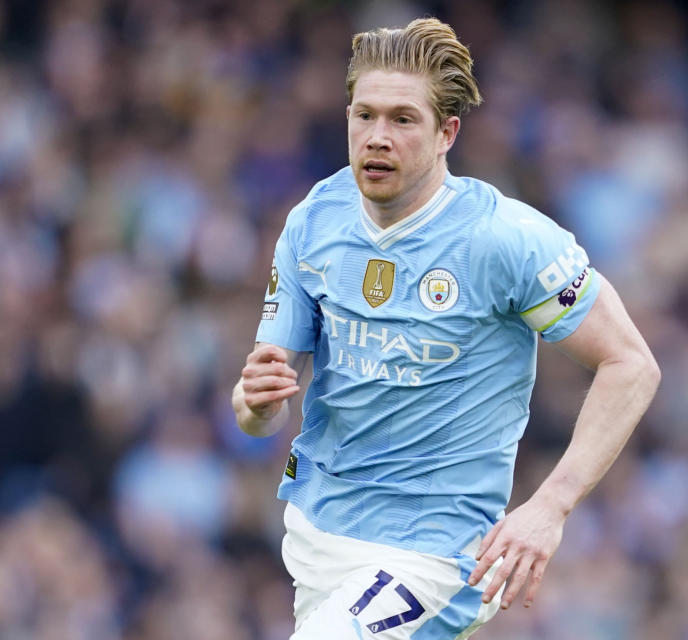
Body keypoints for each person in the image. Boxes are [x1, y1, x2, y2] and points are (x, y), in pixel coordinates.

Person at [231, 17, 660, 639]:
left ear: (445, 133)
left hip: (438, 554)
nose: (378, 137)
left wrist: (550, 507)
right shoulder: (313, 221)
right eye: (364, 115)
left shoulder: (505, 239)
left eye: (403, 119)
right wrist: (252, 403)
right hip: (317, 529)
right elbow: (260, 408)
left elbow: (631, 365)